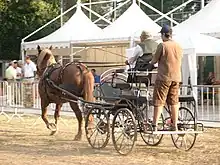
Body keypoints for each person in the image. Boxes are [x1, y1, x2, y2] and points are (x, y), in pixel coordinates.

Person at [150, 24, 183, 131]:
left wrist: (149, 63)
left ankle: (154, 125)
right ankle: (175, 125)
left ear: (164, 34)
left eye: (161, 35)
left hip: (164, 78)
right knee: (174, 101)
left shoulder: (162, 45)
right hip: (176, 78)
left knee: (159, 101)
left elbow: (154, 61)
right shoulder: (178, 46)